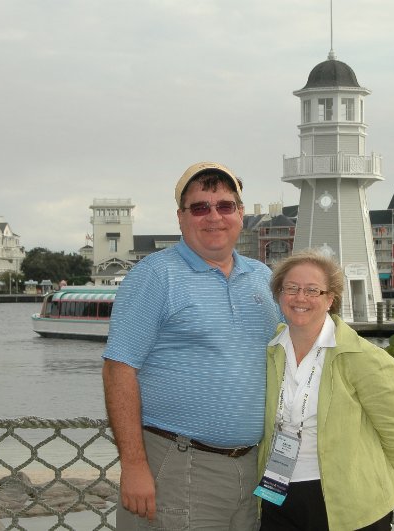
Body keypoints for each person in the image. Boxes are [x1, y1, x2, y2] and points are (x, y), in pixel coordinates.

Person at [102, 161, 281, 530]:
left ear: (241, 214)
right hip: (179, 465)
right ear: (181, 218)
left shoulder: (263, 278)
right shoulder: (155, 275)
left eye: (225, 206)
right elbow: (118, 369)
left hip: (252, 467)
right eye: (199, 207)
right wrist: (134, 466)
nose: (213, 216)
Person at [255, 250, 394, 531]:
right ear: (279, 295)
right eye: (291, 288)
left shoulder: (363, 358)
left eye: (313, 290)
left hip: (350, 500)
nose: (300, 298)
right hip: (277, 490)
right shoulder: (269, 351)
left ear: (330, 299)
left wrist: (385, 484)